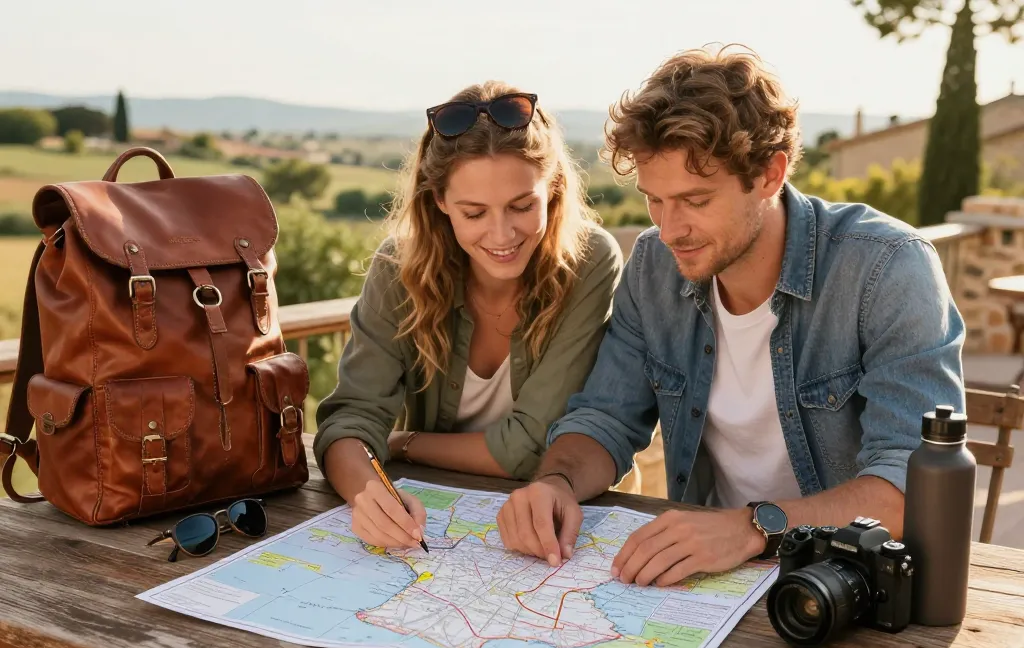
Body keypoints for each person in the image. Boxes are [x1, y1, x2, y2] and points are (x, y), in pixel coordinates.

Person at [495, 45, 966, 587]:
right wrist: (556, 482)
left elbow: (912, 481)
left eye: (695, 201)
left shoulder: (886, 268)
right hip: (705, 579)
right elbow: (605, 417)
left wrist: (753, 528)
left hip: (848, 579)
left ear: (770, 174)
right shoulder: (654, 266)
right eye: (655, 200)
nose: (670, 230)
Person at [312, 82, 623, 552]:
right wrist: (366, 493)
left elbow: (528, 448)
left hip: (566, 524)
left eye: (522, 206)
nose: (502, 234)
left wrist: (401, 444)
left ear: (554, 188)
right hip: (441, 520)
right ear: (439, 201)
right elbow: (350, 420)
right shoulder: (399, 269)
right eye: (474, 213)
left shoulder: (589, 261)